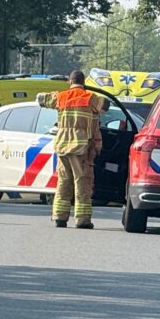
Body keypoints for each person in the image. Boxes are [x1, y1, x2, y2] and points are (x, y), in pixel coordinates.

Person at [36, 70, 107, 229]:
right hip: (80, 148)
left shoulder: (60, 97)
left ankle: (59, 218)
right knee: (82, 182)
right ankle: (82, 219)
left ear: (70, 81)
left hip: (62, 147)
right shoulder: (89, 98)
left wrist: (60, 92)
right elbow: (106, 105)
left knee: (63, 181)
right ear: (83, 82)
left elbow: (40, 99)